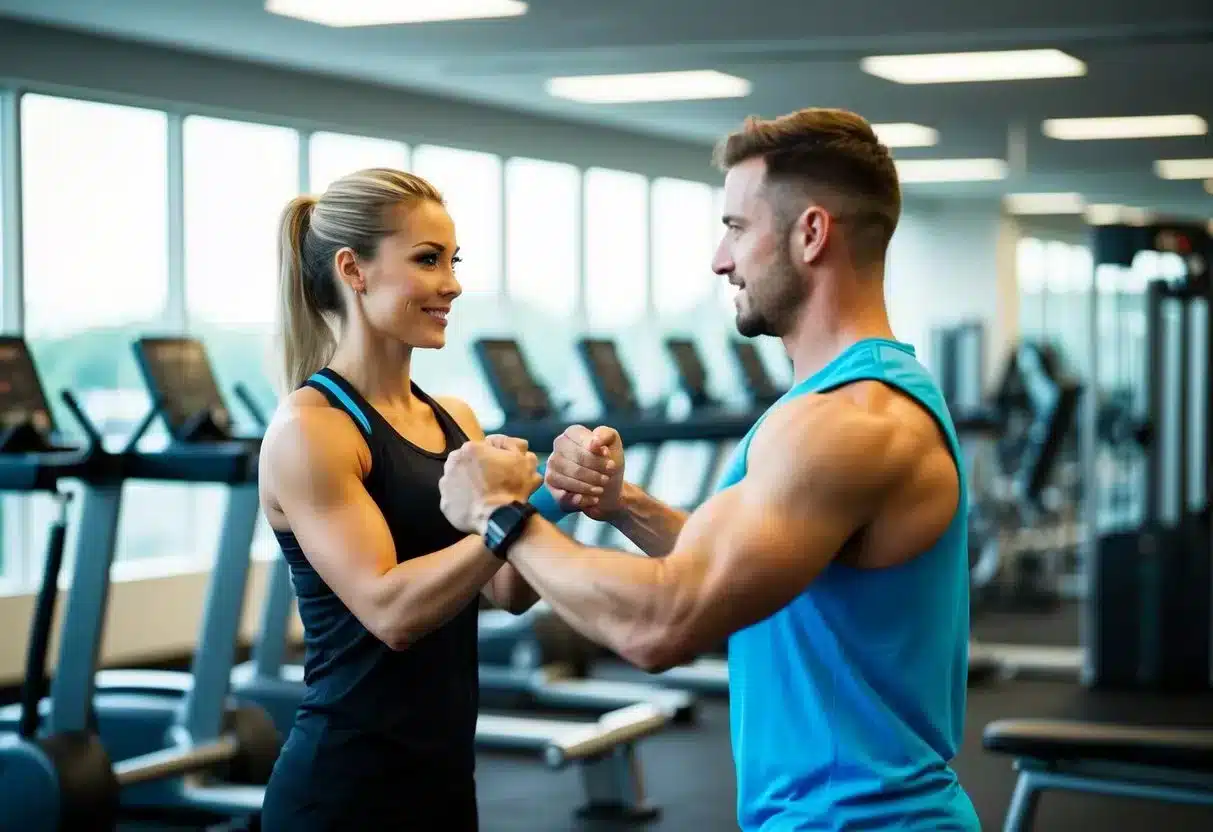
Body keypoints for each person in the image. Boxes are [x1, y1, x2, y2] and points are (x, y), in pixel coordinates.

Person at [437, 109, 982, 830]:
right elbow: (757, 564)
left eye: (734, 227)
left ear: (810, 233)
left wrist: (497, 513)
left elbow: (663, 624)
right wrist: (620, 503)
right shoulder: (835, 403)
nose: (719, 260)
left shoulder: (849, 423)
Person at [257, 167, 544, 831]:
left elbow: (509, 593)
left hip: (443, 781)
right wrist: (509, 514)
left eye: (452, 260)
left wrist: (555, 491)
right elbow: (390, 611)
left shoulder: (456, 419)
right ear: (353, 270)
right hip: (341, 790)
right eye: (427, 260)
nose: (452, 283)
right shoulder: (313, 430)